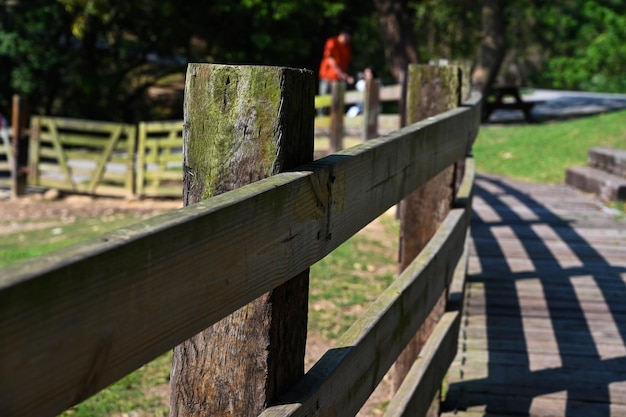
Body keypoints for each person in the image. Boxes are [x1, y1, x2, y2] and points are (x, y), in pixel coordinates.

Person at [318, 28, 354, 104]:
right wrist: (341, 74)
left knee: (336, 103)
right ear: (342, 34)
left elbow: (346, 64)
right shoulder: (332, 42)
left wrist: (346, 76)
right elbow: (330, 58)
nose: (349, 39)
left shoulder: (347, 48)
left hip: (338, 80)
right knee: (323, 101)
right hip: (327, 77)